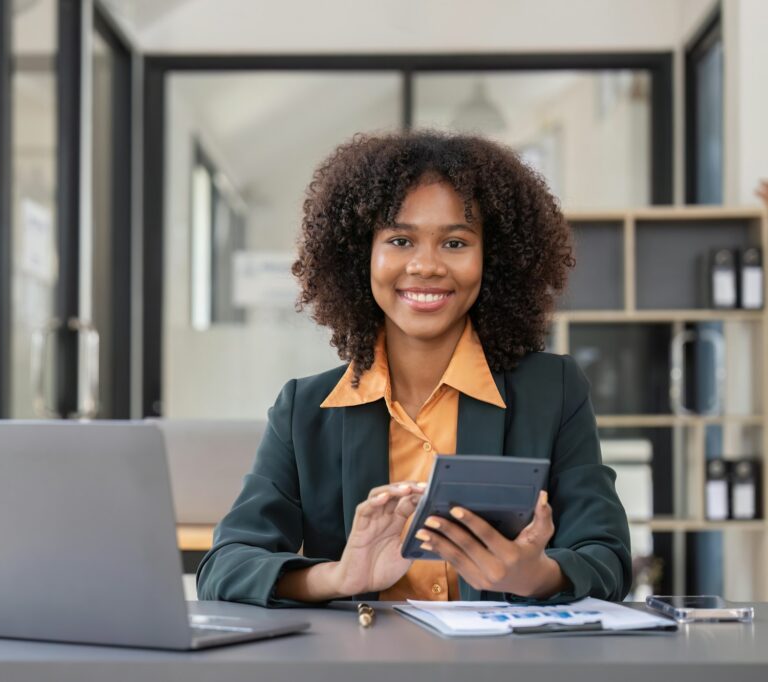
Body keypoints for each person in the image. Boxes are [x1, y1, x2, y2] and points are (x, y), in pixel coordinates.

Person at [196, 130, 631, 607]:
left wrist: (538, 575)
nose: (425, 266)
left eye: (455, 243)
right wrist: (340, 577)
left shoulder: (554, 391)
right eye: (400, 240)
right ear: (361, 255)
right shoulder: (305, 410)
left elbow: (606, 557)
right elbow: (225, 566)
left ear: (495, 259)